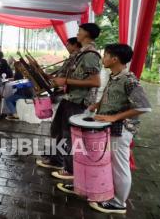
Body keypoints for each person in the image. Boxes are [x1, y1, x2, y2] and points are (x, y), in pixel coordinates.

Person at [58, 44, 151, 215]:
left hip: (120, 130)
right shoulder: (114, 76)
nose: (103, 58)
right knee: (100, 162)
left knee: (119, 166)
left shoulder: (129, 79)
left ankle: (119, 203)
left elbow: (144, 107)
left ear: (115, 59)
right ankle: (91, 188)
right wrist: (98, 104)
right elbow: (112, 95)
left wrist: (114, 117)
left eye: (106, 55)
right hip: (107, 129)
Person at [36, 23, 102, 180]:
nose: (77, 33)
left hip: (78, 101)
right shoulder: (82, 53)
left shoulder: (91, 55)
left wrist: (65, 80)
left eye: (80, 31)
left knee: (69, 136)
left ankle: (71, 170)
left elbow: (95, 82)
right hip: (69, 98)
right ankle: (56, 160)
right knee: (57, 130)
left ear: (87, 33)